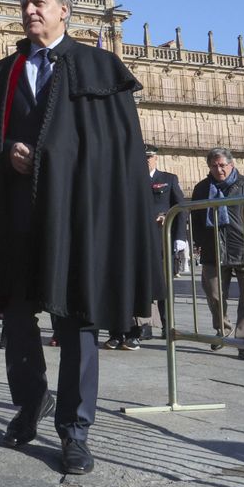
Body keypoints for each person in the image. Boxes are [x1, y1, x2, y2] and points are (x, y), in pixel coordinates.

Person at [0, 0, 156, 475]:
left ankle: (75, 430)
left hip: (76, 222)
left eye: (40, 2)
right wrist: (8, 153)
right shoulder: (2, 76)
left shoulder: (98, 68)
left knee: (77, 325)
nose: (30, 10)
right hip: (17, 221)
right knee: (19, 324)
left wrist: (58, 158)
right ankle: (30, 405)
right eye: (25, 2)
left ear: (63, 11)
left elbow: (117, 152)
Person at [191, 147, 244, 360]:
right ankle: (223, 331)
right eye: (214, 166)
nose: (219, 170)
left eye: (222, 165)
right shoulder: (201, 188)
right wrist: (200, 241)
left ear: (232, 164)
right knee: (214, 294)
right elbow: (196, 219)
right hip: (213, 251)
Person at [106, 143, 186, 350]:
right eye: (142, 157)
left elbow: (180, 209)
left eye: (149, 157)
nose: (145, 160)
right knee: (137, 284)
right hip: (134, 242)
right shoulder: (129, 180)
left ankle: (168, 326)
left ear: (155, 158)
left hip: (160, 241)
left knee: (163, 287)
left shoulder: (168, 179)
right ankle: (140, 329)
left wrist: (179, 236)